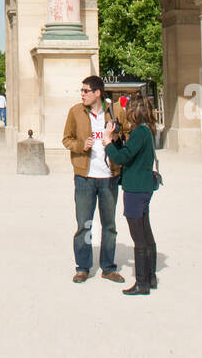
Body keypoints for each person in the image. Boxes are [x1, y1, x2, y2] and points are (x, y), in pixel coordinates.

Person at [62, 75, 125, 284]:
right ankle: (83, 266)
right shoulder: (75, 112)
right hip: (85, 176)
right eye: (82, 91)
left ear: (98, 93)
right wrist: (82, 146)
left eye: (86, 91)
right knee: (84, 223)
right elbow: (66, 139)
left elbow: (128, 135)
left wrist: (115, 138)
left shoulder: (116, 112)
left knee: (109, 225)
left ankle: (108, 267)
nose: (82, 94)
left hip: (109, 176)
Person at [103, 95, 159, 295]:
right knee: (146, 231)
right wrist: (117, 141)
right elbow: (129, 154)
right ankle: (150, 277)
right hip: (144, 186)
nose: (126, 115)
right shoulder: (146, 131)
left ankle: (142, 282)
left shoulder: (138, 133)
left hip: (135, 188)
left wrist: (108, 143)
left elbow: (121, 158)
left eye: (128, 111)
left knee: (138, 236)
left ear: (134, 112)